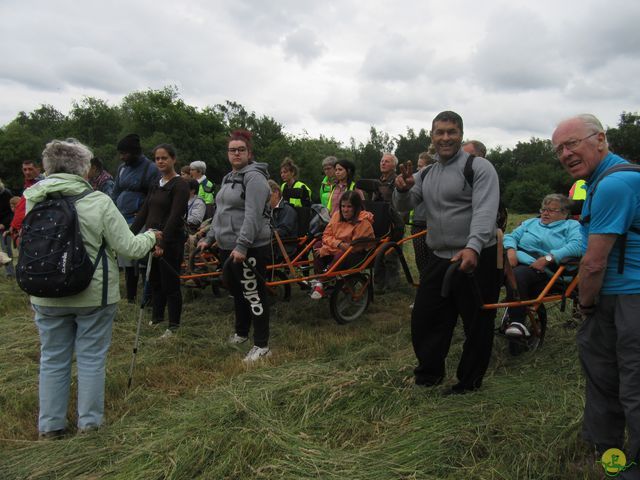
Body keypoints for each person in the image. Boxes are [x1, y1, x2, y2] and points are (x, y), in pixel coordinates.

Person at [24, 138, 160, 439]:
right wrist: (151, 236)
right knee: (90, 359)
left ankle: (50, 426)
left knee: (52, 358)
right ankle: (90, 425)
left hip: (45, 292)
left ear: (48, 167)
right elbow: (129, 247)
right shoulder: (98, 202)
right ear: (85, 169)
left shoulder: (33, 198)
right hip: (93, 294)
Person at [553, 113, 640, 474]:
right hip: (616, 297)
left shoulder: (615, 184)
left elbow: (593, 263)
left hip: (628, 299)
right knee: (603, 375)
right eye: (559, 149)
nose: (565, 154)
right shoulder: (600, 181)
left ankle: (632, 466)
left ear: (600, 139)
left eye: (572, 143)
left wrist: (584, 303)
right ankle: (605, 455)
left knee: (632, 384)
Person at [393, 111, 501, 394]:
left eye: (451, 132)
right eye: (439, 132)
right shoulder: (427, 172)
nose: (445, 138)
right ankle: (429, 375)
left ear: (461, 134)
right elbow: (403, 206)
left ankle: (468, 383)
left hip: (476, 257)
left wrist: (473, 246)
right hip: (439, 257)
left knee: (476, 324)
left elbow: (485, 211)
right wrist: (402, 190)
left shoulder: (479, 168)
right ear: (431, 136)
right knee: (426, 319)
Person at [197, 129, 272, 363]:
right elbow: (220, 212)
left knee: (254, 294)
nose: (236, 153)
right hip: (229, 245)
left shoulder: (254, 178)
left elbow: (253, 215)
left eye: (241, 150)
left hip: (249, 247)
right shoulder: (229, 177)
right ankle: (241, 333)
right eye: (232, 150)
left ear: (249, 153)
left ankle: (262, 345)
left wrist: (242, 245)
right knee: (238, 293)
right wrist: (209, 237)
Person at [502, 194, 582, 337]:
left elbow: (577, 246)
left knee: (518, 274)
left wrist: (548, 257)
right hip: (517, 261)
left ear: (564, 213)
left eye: (551, 210)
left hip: (546, 270)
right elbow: (511, 236)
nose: (545, 213)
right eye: (543, 209)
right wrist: (511, 250)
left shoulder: (572, 226)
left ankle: (517, 322)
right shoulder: (530, 223)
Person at [111, 133, 160, 303]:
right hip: (122, 217)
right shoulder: (122, 168)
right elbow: (116, 191)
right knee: (127, 259)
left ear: (135, 152)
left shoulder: (150, 168)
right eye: (121, 153)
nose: (122, 157)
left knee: (143, 259)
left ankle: (147, 298)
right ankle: (130, 297)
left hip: (140, 218)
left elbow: (153, 195)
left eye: (125, 153)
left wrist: (143, 214)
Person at [310, 191, 374, 299]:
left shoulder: (363, 222)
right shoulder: (336, 216)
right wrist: (337, 243)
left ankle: (321, 281)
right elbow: (326, 235)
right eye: (343, 206)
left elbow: (353, 248)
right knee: (317, 245)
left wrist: (332, 247)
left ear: (356, 208)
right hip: (338, 248)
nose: (345, 209)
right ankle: (320, 278)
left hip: (355, 254)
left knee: (341, 253)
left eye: (349, 206)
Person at [372, 152, 404, 293]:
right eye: (382, 161)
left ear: (394, 165)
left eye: (387, 161)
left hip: (393, 223)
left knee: (391, 253)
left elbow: (403, 205)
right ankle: (379, 284)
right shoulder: (378, 182)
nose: (383, 163)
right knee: (377, 254)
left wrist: (398, 224)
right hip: (379, 223)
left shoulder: (398, 181)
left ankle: (392, 285)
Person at [8, 160, 45, 240]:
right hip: (28, 227)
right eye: (25, 169)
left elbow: (25, 208)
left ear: (38, 169)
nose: (27, 172)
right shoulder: (28, 184)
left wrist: (15, 225)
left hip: (37, 229)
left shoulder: (41, 185)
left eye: (30, 169)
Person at [268, 179, 298, 258]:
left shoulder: (288, 210)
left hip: (285, 246)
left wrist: (264, 234)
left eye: (267, 195)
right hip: (274, 243)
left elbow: (284, 231)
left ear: (276, 193)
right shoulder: (268, 210)